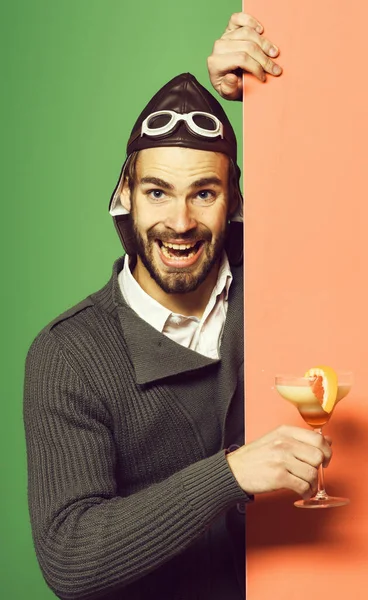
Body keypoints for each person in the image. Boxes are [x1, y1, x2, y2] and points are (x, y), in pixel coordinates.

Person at [24, 12, 331, 600]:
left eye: (205, 193)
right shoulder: (69, 354)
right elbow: (70, 558)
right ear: (124, 198)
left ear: (234, 202)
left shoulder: (270, 290)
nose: (181, 222)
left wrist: (268, 89)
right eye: (157, 191)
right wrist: (231, 475)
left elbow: (349, 183)